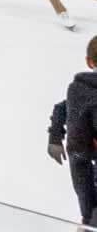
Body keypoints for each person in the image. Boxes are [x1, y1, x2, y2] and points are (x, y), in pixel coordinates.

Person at [47, 36, 97, 224]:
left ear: (89, 61)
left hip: (80, 156)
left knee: (89, 209)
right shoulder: (79, 91)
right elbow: (64, 107)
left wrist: (54, 137)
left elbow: (63, 107)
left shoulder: (78, 89)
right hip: (82, 155)